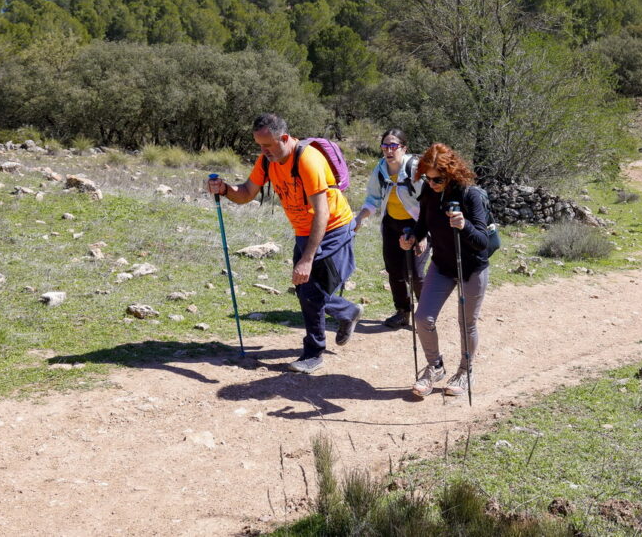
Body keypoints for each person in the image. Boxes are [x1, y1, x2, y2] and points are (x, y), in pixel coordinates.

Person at [207, 113, 361, 374]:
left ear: (285, 138)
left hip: (332, 227)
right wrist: (224, 189)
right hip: (304, 229)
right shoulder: (267, 161)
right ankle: (347, 312)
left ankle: (314, 353)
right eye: (259, 145)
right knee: (305, 290)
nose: (263, 151)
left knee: (310, 290)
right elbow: (246, 193)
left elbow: (321, 213)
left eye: (268, 145)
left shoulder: (308, 160)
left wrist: (307, 258)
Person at [399, 143, 490, 399]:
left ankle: (465, 371)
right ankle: (435, 366)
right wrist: (411, 238)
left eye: (437, 178)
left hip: (471, 267)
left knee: (467, 323)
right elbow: (422, 225)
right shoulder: (429, 193)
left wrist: (464, 225)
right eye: (427, 178)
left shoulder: (469, 195)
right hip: (441, 265)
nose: (432, 183)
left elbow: (482, 240)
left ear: (451, 173)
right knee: (422, 318)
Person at [354, 128, 428, 329]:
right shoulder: (380, 170)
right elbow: (373, 199)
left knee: (415, 272)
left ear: (403, 148)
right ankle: (403, 312)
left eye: (393, 146)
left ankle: (427, 313)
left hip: (417, 224)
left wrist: (422, 235)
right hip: (391, 224)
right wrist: (360, 217)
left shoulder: (415, 169)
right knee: (394, 270)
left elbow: (429, 203)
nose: (388, 150)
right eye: (385, 146)